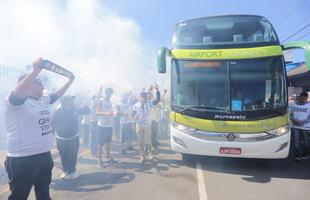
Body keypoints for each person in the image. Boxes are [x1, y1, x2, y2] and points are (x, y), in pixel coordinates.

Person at [4, 58, 74, 200]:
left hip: (44, 157)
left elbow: (57, 95)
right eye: (39, 82)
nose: (43, 86)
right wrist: (35, 71)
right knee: (19, 196)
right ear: (28, 85)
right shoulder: (15, 102)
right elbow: (18, 93)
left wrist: (70, 81)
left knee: (43, 193)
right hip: (23, 160)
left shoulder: (42, 99)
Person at [52, 96, 90, 179]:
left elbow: (87, 111)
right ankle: (65, 171)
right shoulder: (57, 110)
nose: (73, 101)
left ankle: (72, 171)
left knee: (73, 154)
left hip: (74, 137)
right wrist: (52, 137)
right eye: (71, 100)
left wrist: (85, 104)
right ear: (64, 102)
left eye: (73, 100)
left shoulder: (75, 108)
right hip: (61, 138)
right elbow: (53, 124)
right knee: (63, 155)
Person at [134, 84, 161, 163]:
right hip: (139, 125)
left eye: (144, 96)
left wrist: (157, 90)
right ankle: (142, 156)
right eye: (142, 96)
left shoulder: (149, 103)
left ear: (146, 96)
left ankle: (150, 155)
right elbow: (132, 114)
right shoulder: (136, 105)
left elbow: (157, 99)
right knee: (140, 142)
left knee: (148, 141)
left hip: (147, 125)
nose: (143, 97)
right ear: (139, 97)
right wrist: (134, 116)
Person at [96, 87, 118, 167]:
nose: (110, 95)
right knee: (100, 144)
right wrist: (106, 114)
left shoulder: (110, 102)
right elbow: (97, 112)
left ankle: (108, 158)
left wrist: (114, 113)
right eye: (109, 93)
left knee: (108, 142)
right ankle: (99, 161)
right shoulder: (101, 101)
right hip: (102, 125)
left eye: (111, 94)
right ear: (106, 93)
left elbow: (111, 111)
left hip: (109, 125)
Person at [289, 92, 310, 161]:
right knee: (296, 141)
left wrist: (302, 122)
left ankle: (305, 154)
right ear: (299, 97)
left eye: (305, 99)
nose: (303, 100)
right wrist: (294, 120)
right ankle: (297, 156)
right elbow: (290, 114)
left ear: (307, 98)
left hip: (306, 127)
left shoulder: (309, 105)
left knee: (306, 141)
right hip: (295, 126)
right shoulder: (292, 104)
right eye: (302, 98)